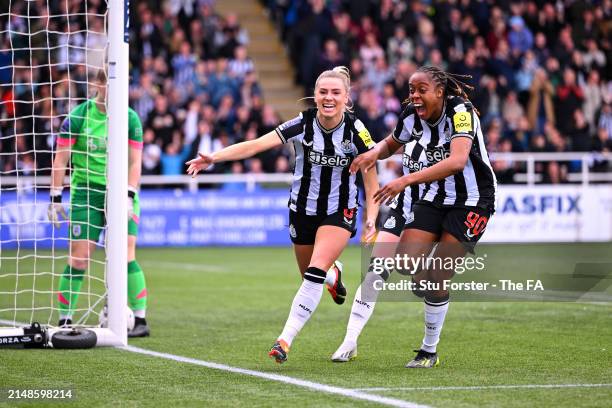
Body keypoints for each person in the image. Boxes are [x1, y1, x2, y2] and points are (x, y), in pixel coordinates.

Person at [187, 66, 380, 364]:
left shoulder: (357, 131)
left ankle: (284, 340)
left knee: (313, 272)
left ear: (346, 97)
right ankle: (334, 275)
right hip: (301, 211)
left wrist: (371, 217)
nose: (328, 98)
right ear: (315, 96)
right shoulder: (301, 124)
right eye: (323, 92)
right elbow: (256, 145)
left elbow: (371, 178)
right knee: (310, 275)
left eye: (335, 93)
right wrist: (215, 157)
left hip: (339, 211)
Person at [346, 65, 497, 368]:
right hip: (436, 196)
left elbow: (457, 162)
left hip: (473, 200)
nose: (414, 96)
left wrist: (405, 180)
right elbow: (392, 142)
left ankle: (429, 350)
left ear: (440, 92)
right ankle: (429, 277)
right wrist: (372, 154)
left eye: (421, 90)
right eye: (412, 90)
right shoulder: (412, 115)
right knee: (404, 262)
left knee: (438, 274)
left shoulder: (460, 112)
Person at [48, 70, 150, 337]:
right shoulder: (78, 117)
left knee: (127, 254)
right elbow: (60, 160)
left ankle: (140, 320)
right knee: (79, 258)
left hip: (120, 192)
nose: (115, 89)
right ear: (97, 84)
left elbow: (135, 162)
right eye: (109, 83)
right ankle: (65, 321)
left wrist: (128, 196)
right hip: (86, 193)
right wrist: (55, 197)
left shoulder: (129, 118)